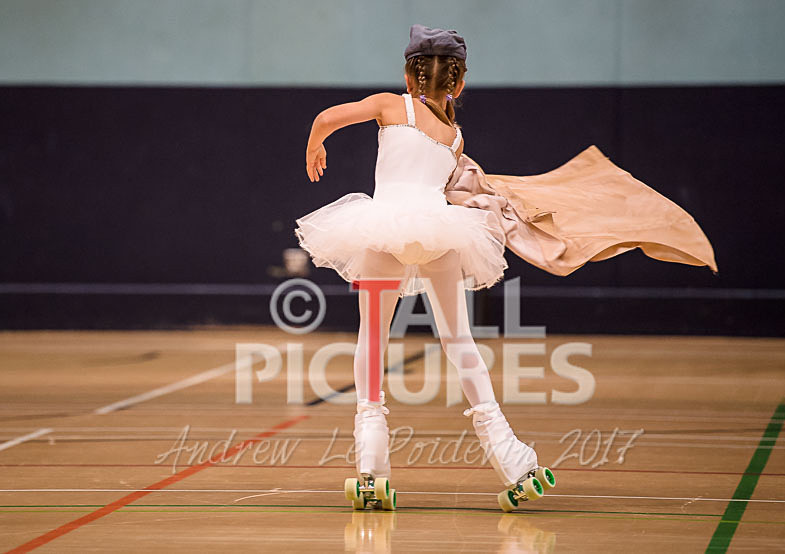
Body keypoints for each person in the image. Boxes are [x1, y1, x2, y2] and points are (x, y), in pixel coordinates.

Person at [294, 24, 715, 512]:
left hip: (381, 229)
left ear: (408, 78)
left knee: (373, 336)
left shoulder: (392, 105)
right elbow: (453, 186)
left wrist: (314, 143)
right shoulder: (454, 136)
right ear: (458, 84)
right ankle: (513, 460)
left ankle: (371, 462)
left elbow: (327, 117)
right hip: (440, 234)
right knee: (459, 341)